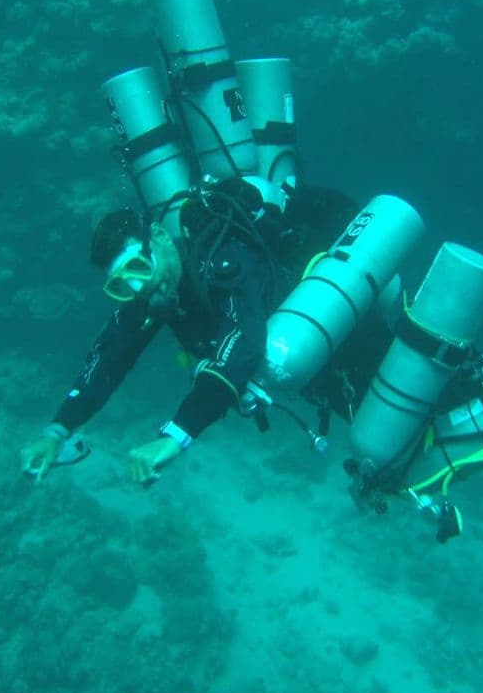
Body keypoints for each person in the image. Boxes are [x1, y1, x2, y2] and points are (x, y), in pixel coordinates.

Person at [18, 179, 284, 485]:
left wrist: (176, 435)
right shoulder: (149, 293)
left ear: (159, 237)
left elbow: (243, 343)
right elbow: (108, 360)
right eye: (121, 284)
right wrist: (57, 431)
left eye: (139, 267)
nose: (137, 287)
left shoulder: (224, 260)